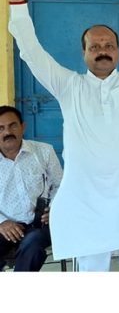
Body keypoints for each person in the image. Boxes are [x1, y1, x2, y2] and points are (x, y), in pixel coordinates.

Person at [8, 0, 119, 271]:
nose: (102, 50)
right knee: (92, 270)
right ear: (84, 54)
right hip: (87, 198)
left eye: (108, 45)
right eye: (94, 46)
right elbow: (31, 52)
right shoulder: (69, 86)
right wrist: (17, 4)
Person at [0, 106, 62, 271]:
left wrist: (55, 209)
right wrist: (2, 223)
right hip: (5, 226)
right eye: (1, 128)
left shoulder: (44, 151)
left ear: (23, 127)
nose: (7, 132)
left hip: (41, 225)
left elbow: (60, 184)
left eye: (12, 125)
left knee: (32, 243)